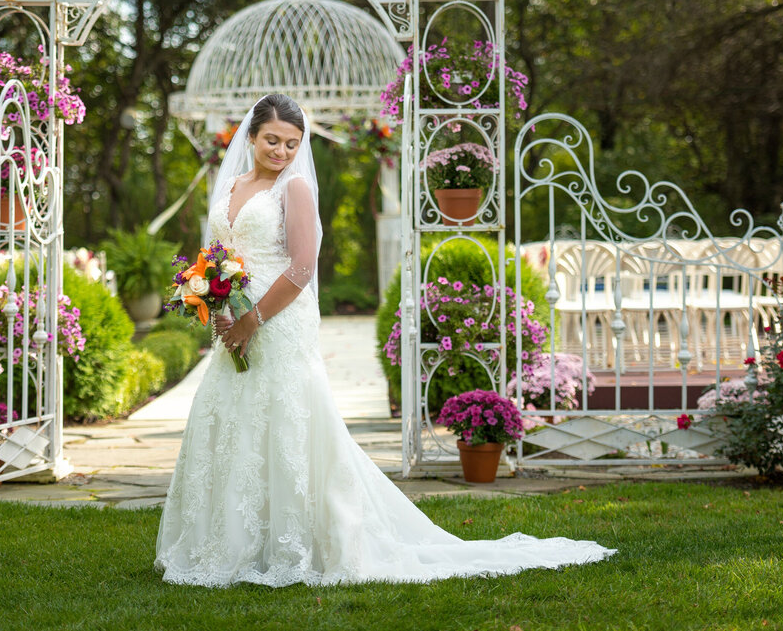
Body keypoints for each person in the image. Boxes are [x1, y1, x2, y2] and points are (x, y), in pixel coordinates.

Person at [154, 93, 615, 587]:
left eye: (292, 143)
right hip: (236, 319)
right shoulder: (233, 186)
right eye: (272, 140)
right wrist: (218, 307)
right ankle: (233, 542)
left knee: (287, 423)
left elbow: (303, 268)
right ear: (249, 136)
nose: (282, 152)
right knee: (235, 422)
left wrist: (253, 321)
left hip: (279, 320)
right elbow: (220, 257)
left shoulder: (296, 189)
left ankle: (299, 541)